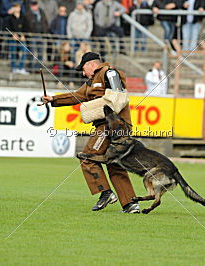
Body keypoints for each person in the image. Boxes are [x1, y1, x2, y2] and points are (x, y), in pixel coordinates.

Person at [40, 52, 140, 213]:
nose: (82, 72)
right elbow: (76, 96)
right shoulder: (90, 83)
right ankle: (130, 204)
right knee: (114, 163)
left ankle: (106, 193)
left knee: (87, 157)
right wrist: (54, 99)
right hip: (111, 126)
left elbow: (119, 98)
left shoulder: (110, 72)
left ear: (91, 64)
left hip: (112, 125)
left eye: (83, 68)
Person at [24, 1, 49, 71]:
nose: (34, 7)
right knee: (32, 52)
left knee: (40, 53)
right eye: (33, 5)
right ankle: (31, 68)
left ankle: (39, 68)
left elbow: (45, 22)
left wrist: (45, 31)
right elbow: (26, 25)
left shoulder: (41, 12)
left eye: (35, 5)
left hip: (41, 35)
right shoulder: (28, 14)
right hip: (32, 36)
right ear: (31, 6)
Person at [7, 3, 29, 74]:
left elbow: (26, 27)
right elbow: (7, 28)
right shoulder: (9, 18)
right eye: (15, 7)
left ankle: (20, 67)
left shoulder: (23, 17)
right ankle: (13, 68)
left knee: (24, 52)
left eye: (18, 7)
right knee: (13, 53)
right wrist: (12, 35)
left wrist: (23, 35)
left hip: (21, 38)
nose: (17, 9)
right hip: (13, 38)